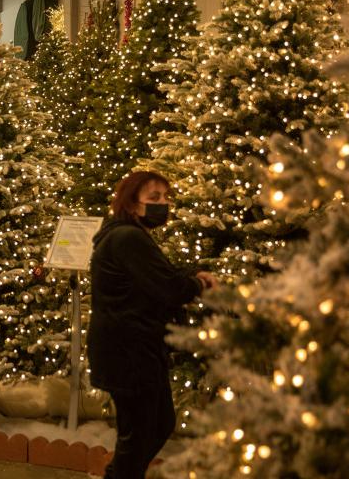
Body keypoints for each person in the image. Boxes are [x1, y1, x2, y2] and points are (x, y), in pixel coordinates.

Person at [86, 170, 217, 479]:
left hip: (135, 349)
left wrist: (191, 274)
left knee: (157, 424)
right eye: (153, 198)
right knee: (140, 432)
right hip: (129, 352)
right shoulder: (128, 237)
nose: (163, 204)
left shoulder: (128, 234)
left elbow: (158, 274)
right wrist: (198, 285)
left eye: (166, 197)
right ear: (132, 205)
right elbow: (169, 288)